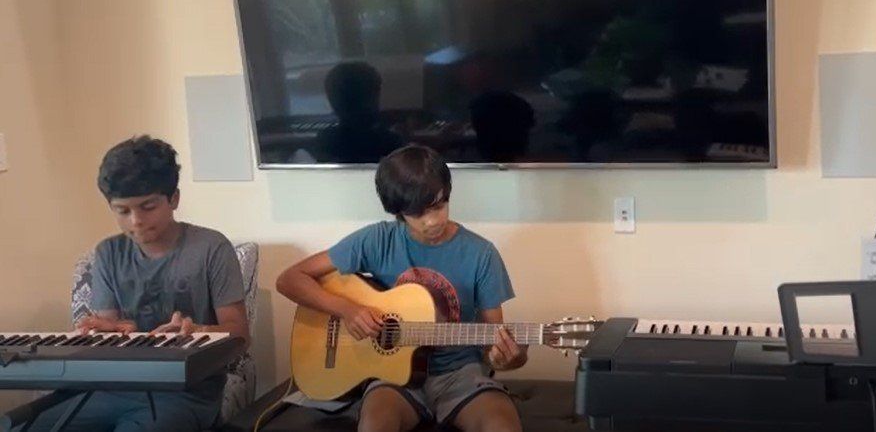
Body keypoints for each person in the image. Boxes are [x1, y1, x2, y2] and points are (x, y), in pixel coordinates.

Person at [276, 145, 525, 432]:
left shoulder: (482, 254)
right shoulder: (377, 240)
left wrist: (508, 358)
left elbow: (492, 344)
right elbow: (290, 279)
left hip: (462, 376)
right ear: (399, 212)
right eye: (419, 213)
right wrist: (347, 309)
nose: (433, 220)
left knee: (502, 427)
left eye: (440, 205)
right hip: (394, 381)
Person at [26, 135, 249, 431]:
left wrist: (199, 332)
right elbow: (110, 330)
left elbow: (241, 335)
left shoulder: (211, 248)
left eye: (148, 207)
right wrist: (109, 331)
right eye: (123, 211)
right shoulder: (108, 252)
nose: (136, 221)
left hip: (186, 393)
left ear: (174, 199)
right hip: (112, 387)